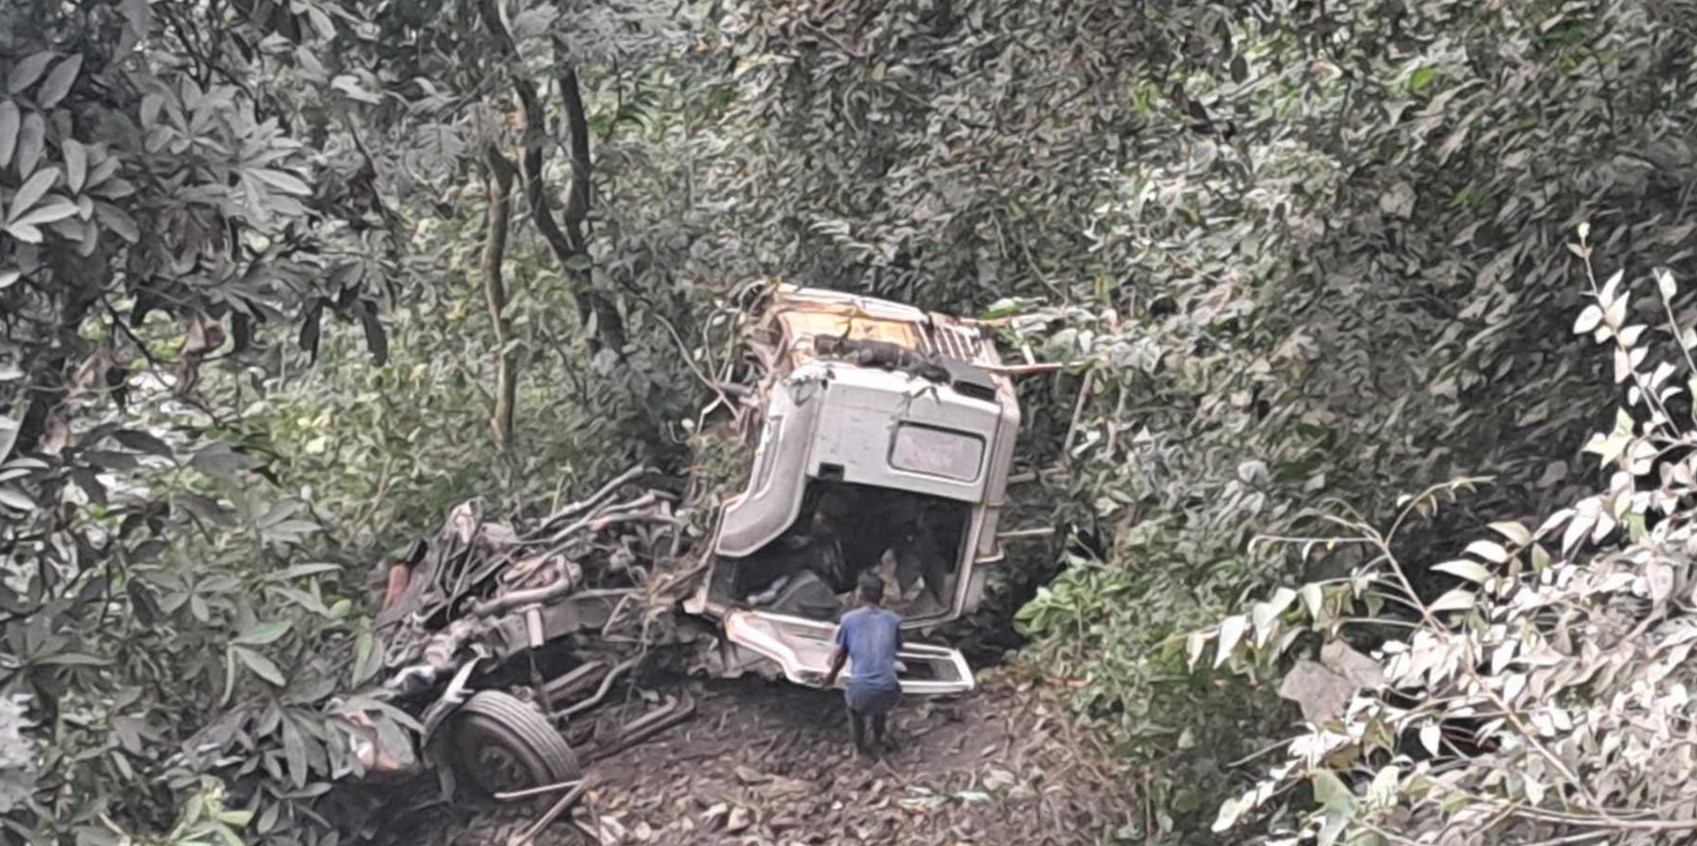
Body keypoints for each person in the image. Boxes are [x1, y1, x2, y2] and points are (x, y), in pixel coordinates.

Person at [823, 571, 903, 756]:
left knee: (855, 710)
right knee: (880, 706)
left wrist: (830, 678)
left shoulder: (849, 620)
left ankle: (859, 748)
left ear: (859, 593)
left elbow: (840, 656)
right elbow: (897, 648)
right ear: (882, 595)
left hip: (861, 691)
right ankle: (877, 739)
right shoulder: (893, 620)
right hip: (888, 689)